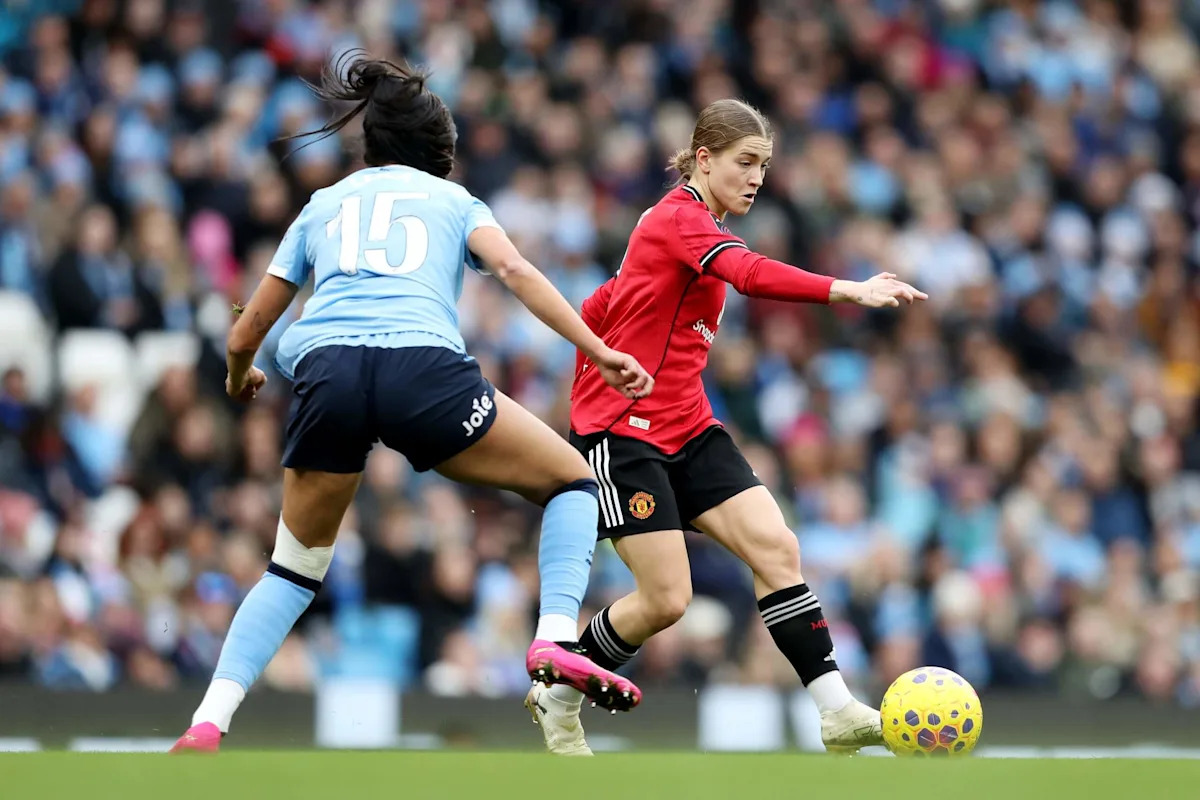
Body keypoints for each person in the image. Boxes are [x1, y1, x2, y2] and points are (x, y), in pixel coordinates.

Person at [169, 54, 654, 754]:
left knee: (292, 569)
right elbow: (515, 270)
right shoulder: (454, 202)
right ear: (436, 151)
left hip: (326, 375)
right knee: (573, 481)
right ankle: (552, 640)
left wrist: (241, 375)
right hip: (421, 370)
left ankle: (208, 722)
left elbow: (246, 330)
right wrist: (599, 349)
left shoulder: (324, 204)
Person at [526, 99, 927, 756]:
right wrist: (846, 290)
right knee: (666, 600)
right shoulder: (679, 218)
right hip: (623, 436)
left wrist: (604, 350)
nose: (757, 177)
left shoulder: (680, 226)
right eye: (746, 162)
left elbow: (600, 307)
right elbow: (745, 273)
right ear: (704, 159)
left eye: (764, 166)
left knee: (777, 547)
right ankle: (561, 695)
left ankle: (835, 711)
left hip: (688, 425)